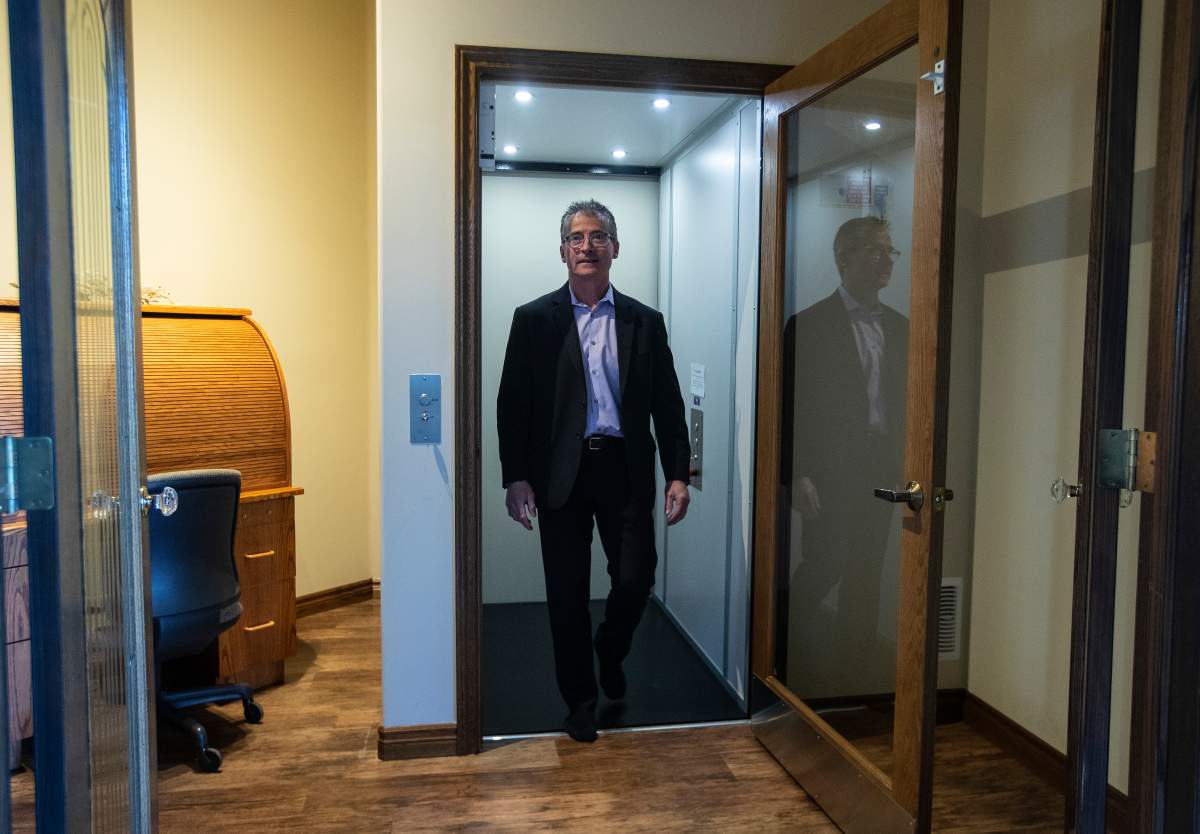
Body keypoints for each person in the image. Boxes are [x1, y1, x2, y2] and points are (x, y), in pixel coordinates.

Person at [496, 199, 691, 742]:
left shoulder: (643, 322)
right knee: (566, 594)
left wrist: (679, 473)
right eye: (577, 238)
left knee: (635, 579)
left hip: (624, 470)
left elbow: (668, 403)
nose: (587, 246)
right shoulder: (533, 319)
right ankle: (579, 700)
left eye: (598, 236)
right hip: (559, 474)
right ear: (563, 251)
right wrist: (516, 477)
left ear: (615, 248)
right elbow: (512, 405)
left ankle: (610, 647)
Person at [779, 215, 908, 691]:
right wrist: (797, 473)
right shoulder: (810, 325)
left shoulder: (901, 328)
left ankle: (854, 675)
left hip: (882, 467)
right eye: (875, 250)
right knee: (825, 562)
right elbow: (790, 406)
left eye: (890, 251)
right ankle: (782, 646)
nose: (885, 260)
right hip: (830, 470)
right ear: (844, 258)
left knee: (867, 570)